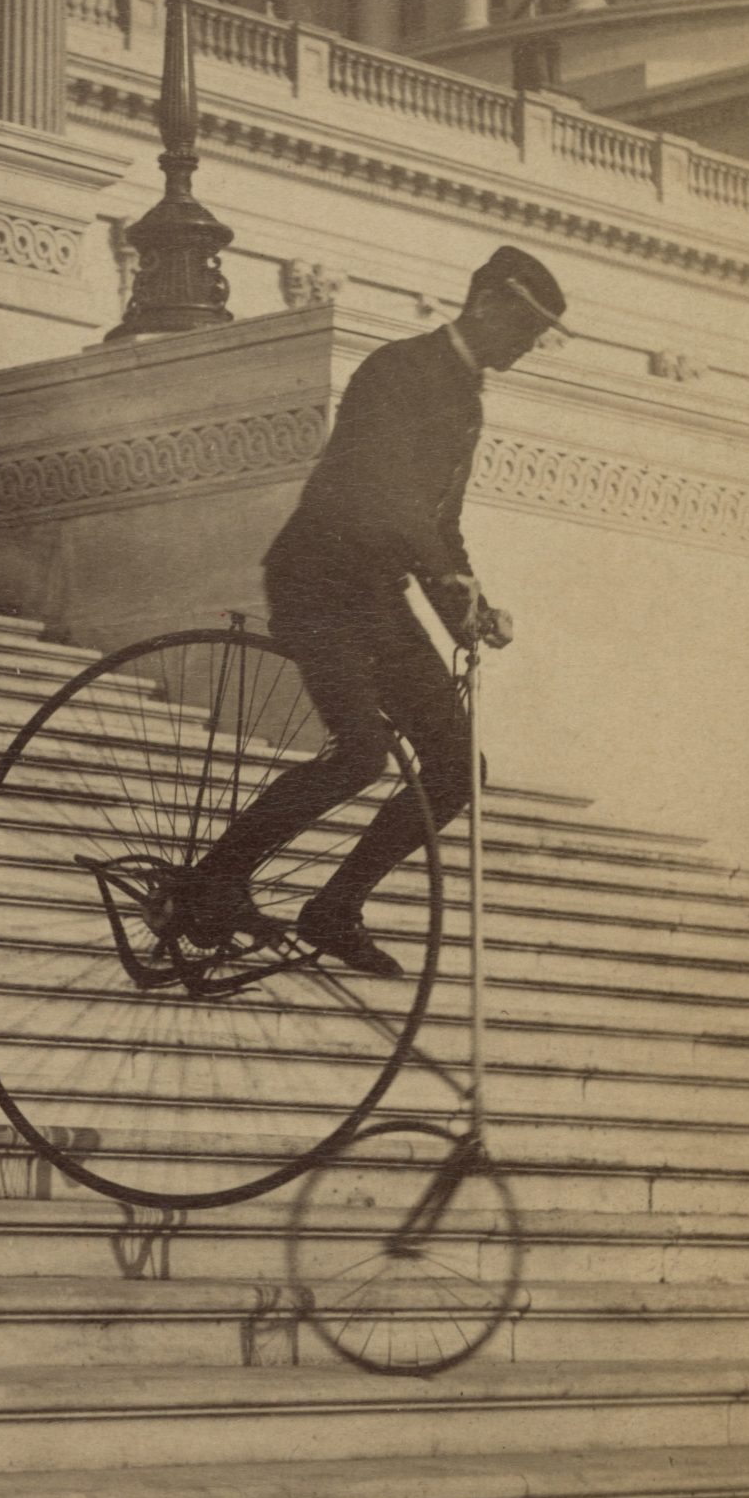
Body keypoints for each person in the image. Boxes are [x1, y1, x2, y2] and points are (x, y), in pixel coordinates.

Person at [178, 245, 568, 975]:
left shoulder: (467, 401)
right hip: (318, 581)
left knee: (455, 769)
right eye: (524, 328)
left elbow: (439, 522)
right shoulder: (398, 371)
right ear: (485, 304)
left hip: (377, 596)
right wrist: (446, 575)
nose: (528, 346)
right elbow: (380, 492)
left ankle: (335, 907)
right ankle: (214, 880)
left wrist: (469, 606)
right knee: (362, 754)